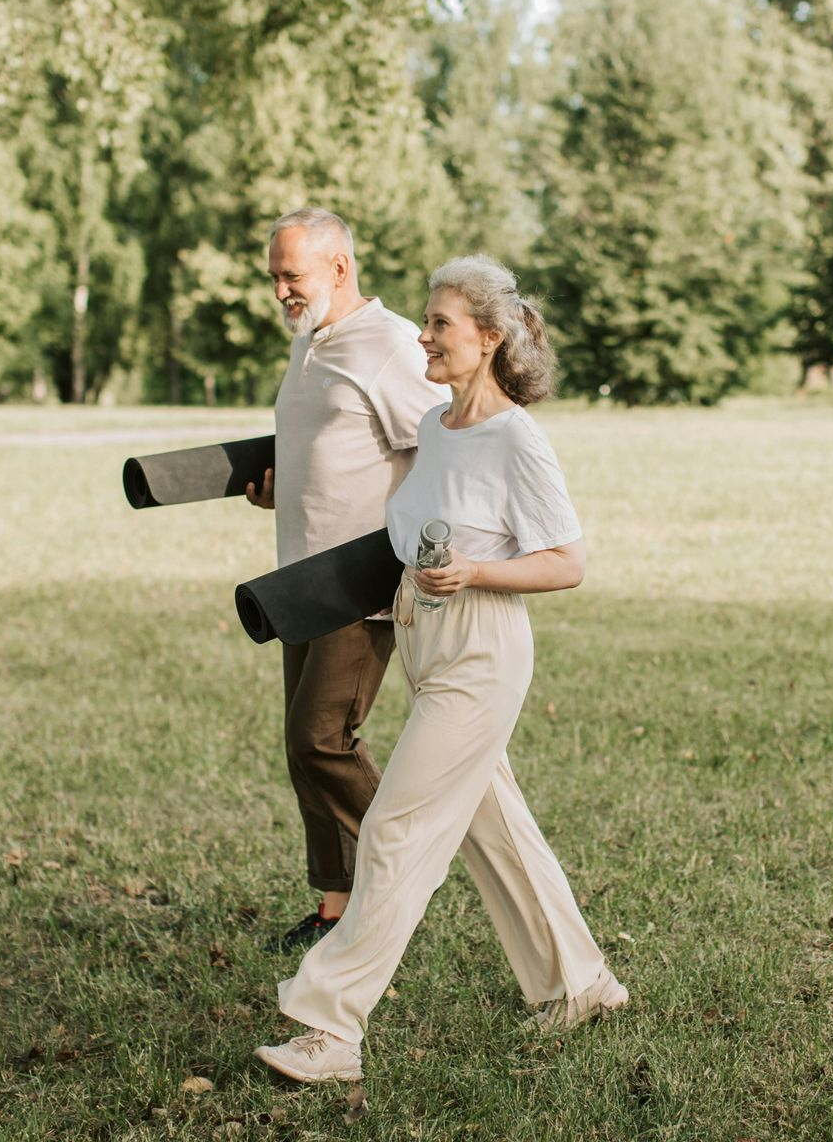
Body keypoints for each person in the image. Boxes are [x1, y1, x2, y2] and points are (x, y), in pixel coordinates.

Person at [255, 255, 626, 1084]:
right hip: (428, 642)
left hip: (482, 651)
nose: (422, 336)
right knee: (497, 832)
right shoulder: (436, 428)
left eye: (440, 324)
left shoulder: (513, 438)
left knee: (395, 829)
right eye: (425, 322)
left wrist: (474, 573)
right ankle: (580, 983)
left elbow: (567, 561)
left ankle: (329, 1028)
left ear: (488, 339)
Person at [247, 208, 447, 952]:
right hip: (298, 576)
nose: (279, 292)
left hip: (356, 580)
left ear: (337, 267)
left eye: (290, 276)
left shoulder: (390, 345)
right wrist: (280, 484)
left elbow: (442, 448)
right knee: (303, 743)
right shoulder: (313, 342)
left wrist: (421, 555)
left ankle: (405, 876)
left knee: (320, 737)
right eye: (272, 277)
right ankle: (338, 911)